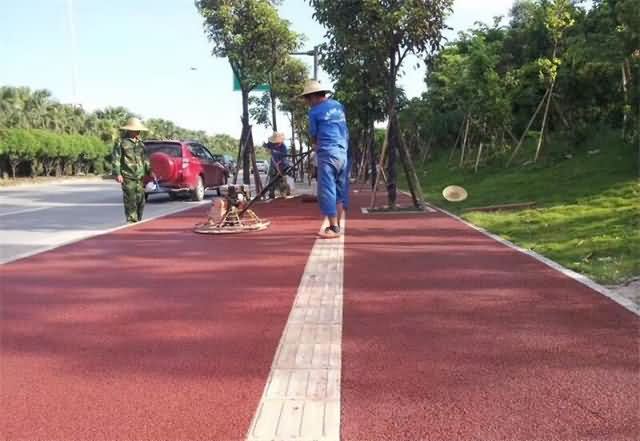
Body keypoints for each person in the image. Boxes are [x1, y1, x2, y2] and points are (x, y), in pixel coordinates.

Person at [300, 80, 349, 238]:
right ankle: (337, 225)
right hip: (342, 153)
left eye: (307, 99)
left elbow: (314, 136)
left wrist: (315, 146)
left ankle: (333, 228)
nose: (307, 103)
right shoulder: (338, 106)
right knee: (339, 190)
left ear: (313, 96)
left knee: (327, 190)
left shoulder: (314, 112)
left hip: (328, 154)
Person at [112, 117, 150, 223]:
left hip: (140, 176)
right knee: (130, 200)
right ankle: (132, 221)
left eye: (139, 130)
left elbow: (145, 159)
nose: (138, 132)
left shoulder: (141, 143)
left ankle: (138, 219)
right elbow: (116, 159)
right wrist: (117, 173)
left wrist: (150, 171)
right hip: (128, 176)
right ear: (129, 130)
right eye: (135, 130)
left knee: (141, 200)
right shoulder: (121, 142)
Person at [264, 132, 291, 199]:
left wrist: (279, 163)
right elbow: (266, 147)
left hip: (281, 164)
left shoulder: (283, 147)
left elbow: (284, 157)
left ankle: (284, 192)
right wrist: (266, 147)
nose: (276, 143)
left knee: (281, 179)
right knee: (272, 179)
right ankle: (271, 193)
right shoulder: (271, 144)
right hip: (273, 163)